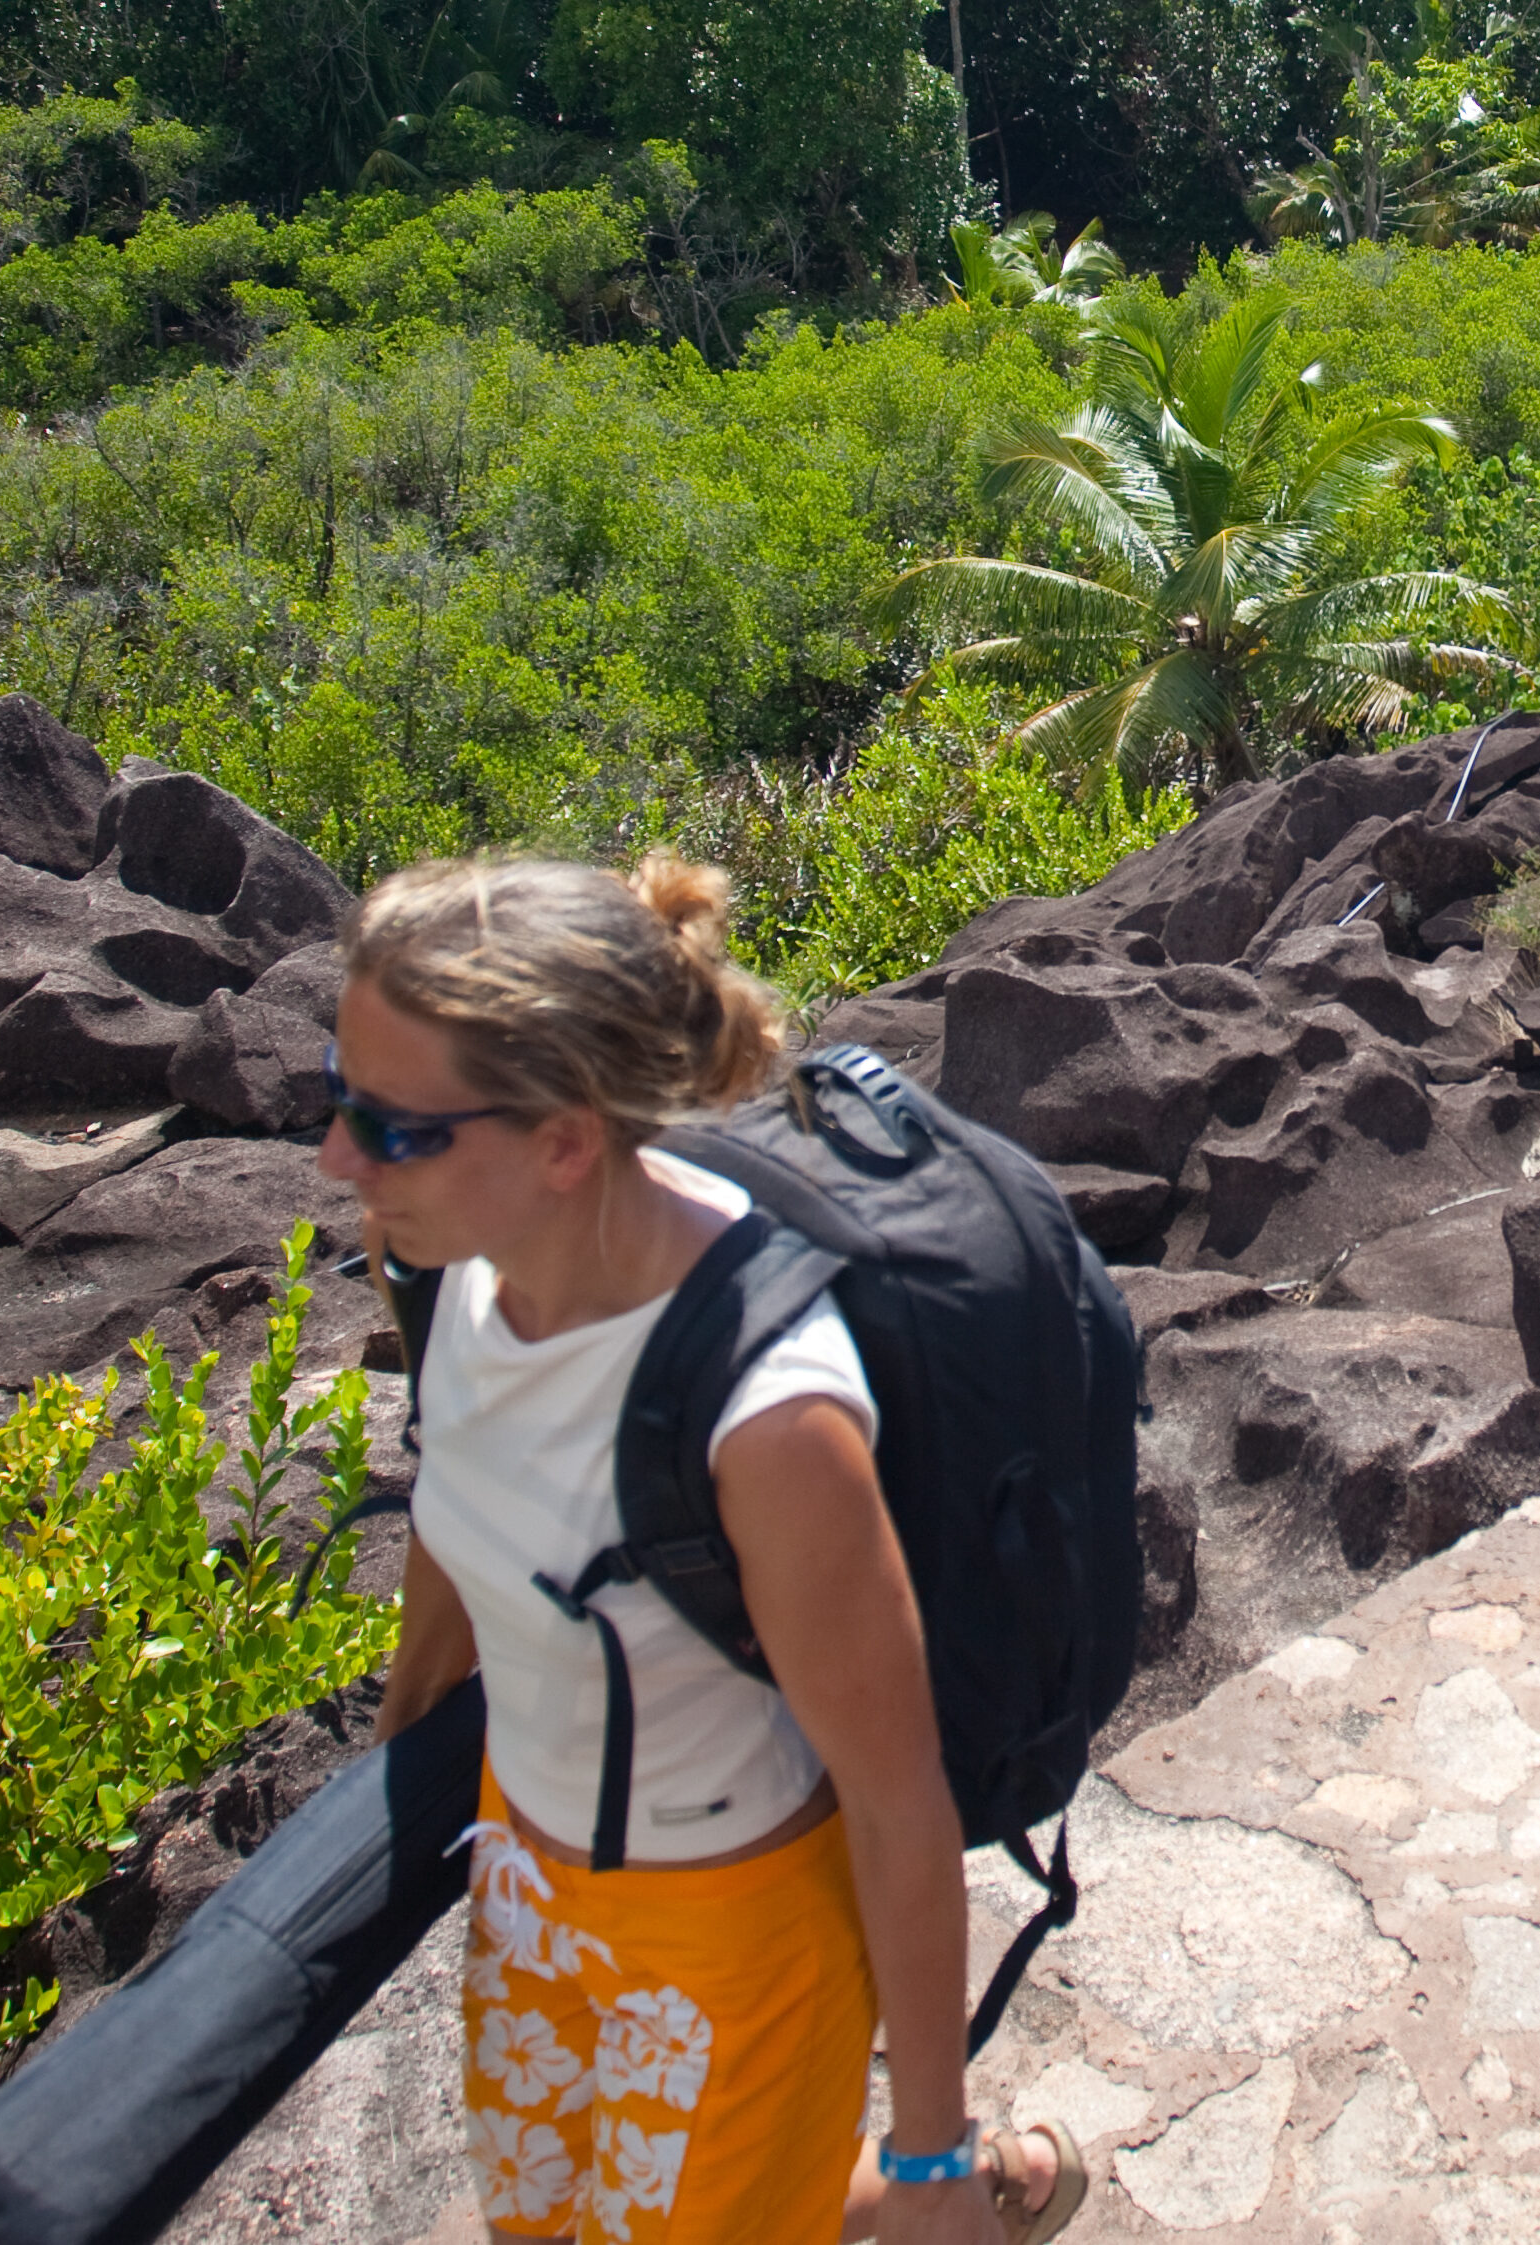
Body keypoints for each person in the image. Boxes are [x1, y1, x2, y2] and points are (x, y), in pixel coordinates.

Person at [329, 853, 1080, 2245]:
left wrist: (926, 2150)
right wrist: (405, 1747)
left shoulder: (766, 1412)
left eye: (392, 1125)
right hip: (525, 1876)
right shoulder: (438, 1269)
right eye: (342, 1101)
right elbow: (459, 1494)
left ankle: (954, 2186)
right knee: (547, 2225)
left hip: (729, 1940)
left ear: (562, 1140)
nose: (338, 1160)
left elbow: (895, 1798)